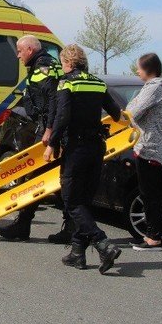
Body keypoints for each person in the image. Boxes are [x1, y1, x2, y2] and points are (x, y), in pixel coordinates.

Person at [45, 44, 123, 274]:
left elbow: (63, 116)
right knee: (84, 200)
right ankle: (77, 254)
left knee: (71, 200)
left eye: (62, 62)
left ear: (67, 63)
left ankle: (103, 243)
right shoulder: (98, 83)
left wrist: (51, 144)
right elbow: (116, 112)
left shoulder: (66, 82)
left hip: (76, 148)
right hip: (96, 147)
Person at [0, 35, 67, 242]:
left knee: (36, 177)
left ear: (29, 50)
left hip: (48, 129)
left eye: (19, 51)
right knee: (47, 178)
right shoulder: (42, 65)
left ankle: (23, 225)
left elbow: (54, 100)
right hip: (46, 126)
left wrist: (49, 130)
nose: (18, 55)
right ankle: (25, 224)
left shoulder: (44, 67)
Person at [125, 52, 162, 251]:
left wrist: (132, 109)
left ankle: (154, 237)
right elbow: (131, 108)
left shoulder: (154, 88)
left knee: (150, 194)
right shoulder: (151, 87)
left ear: (148, 69)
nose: (137, 71)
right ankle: (149, 235)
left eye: (139, 68)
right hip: (145, 144)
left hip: (149, 147)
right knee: (147, 194)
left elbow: (133, 111)